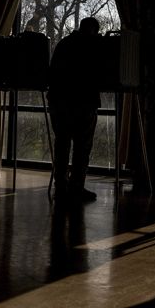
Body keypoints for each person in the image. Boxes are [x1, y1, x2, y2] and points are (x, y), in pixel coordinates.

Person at [49, 17, 102, 203]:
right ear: (93, 31)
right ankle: (76, 187)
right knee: (82, 147)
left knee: (62, 144)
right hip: (83, 103)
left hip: (59, 103)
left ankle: (61, 186)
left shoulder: (64, 44)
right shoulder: (91, 47)